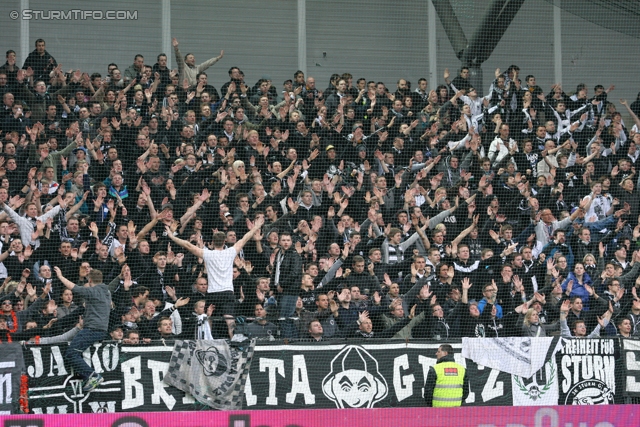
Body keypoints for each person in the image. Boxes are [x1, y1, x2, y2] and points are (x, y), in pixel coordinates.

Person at [165, 216, 264, 338]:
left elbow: (188, 245)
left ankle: (207, 345)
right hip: (227, 293)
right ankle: (235, 343)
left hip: (213, 294)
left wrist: (171, 236)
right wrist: (256, 226)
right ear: (224, 242)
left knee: (209, 320)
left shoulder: (207, 254)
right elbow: (245, 238)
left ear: (213, 241)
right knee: (230, 322)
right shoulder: (230, 252)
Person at [53, 267, 111, 392]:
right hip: (102, 330)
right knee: (77, 352)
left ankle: (93, 376)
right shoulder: (106, 291)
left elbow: (74, 287)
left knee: (71, 354)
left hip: (92, 330)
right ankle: (88, 376)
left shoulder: (92, 291)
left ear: (90, 281)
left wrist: (60, 276)